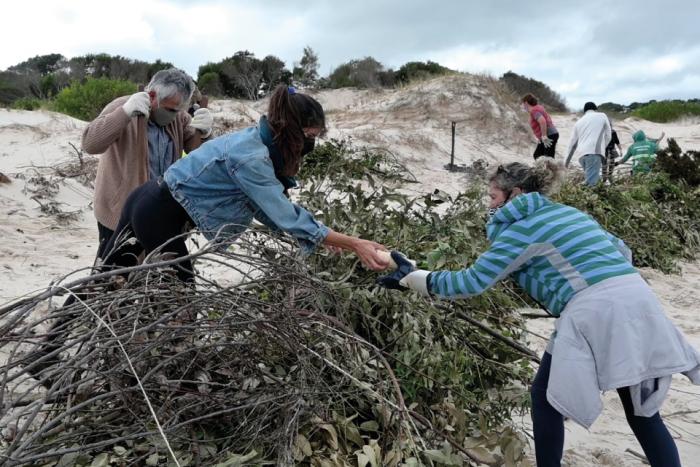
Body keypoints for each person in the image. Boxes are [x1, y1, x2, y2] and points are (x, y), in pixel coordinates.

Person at [377, 159, 699, 467]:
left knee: (544, 398)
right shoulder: (570, 213)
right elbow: (621, 250)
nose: (489, 205)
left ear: (515, 194)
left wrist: (411, 277)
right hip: (640, 298)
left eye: (492, 197)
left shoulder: (522, 229)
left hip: (594, 310)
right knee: (641, 411)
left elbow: (471, 281)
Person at [101, 85, 389, 282]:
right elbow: (284, 215)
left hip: (148, 200)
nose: (309, 144)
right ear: (290, 130)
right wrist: (353, 243)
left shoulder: (256, 142)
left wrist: (317, 236)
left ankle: (57, 344)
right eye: (309, 135)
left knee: (108, 277)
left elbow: (267, 209)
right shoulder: (252, 158)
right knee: (179, 299)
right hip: (157, 213)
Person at [81, 68, 214, 259]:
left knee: (155, 273)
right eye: (170, 109)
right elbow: (90, 144)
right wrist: (124, 113)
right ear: (153, 96)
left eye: (179, 110)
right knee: (113, 272)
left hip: (159, 212)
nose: (175, 115)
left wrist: (206, 132)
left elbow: (199, 154)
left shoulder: (178, 117)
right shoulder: (123, 106)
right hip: (118, 213)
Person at [564, 102, 611, 186]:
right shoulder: (602, 115)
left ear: (584, 111)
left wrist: (566, 164)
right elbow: (608, 135)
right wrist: (602, 148)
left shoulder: (579, 122)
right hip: (593, 153)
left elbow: (572, 144)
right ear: (595, 109)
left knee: (592, 178)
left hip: (581, 156)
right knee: (592, 184)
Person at [522, 93, 559, 160]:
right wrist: (541, 138)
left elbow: (542, 121)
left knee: (547, 158)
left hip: (549, 135)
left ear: (526, 103)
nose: (523, 106)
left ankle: (551, 169)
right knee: (538, 155)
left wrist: (544, 136)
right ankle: (545, 169)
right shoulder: (537, 108)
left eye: (523, 104)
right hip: (550, 134)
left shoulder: (534, 110)